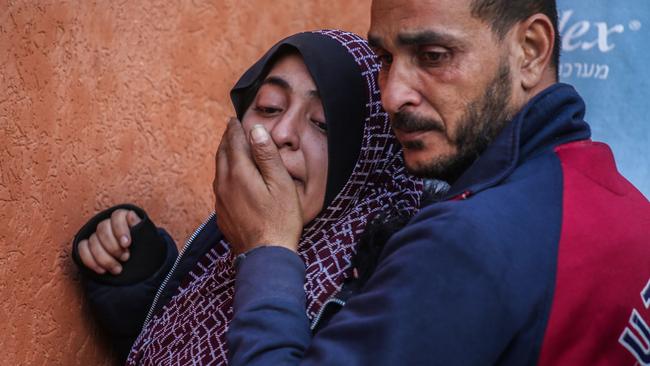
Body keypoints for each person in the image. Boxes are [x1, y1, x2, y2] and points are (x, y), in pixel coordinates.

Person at [214, 1, 650, 365]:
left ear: (531, 50)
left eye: (433, 56)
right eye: (385, 59)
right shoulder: (626, 206)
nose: (391, 95)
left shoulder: (467, 241)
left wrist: (266, 247)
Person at [70, 29, 423, 364]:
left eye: (322, 124)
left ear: (369, 155)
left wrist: (264, 250)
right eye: (269, 107)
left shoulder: (378, 299)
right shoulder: (228, 237)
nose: (282, 132)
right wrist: (136, 274)